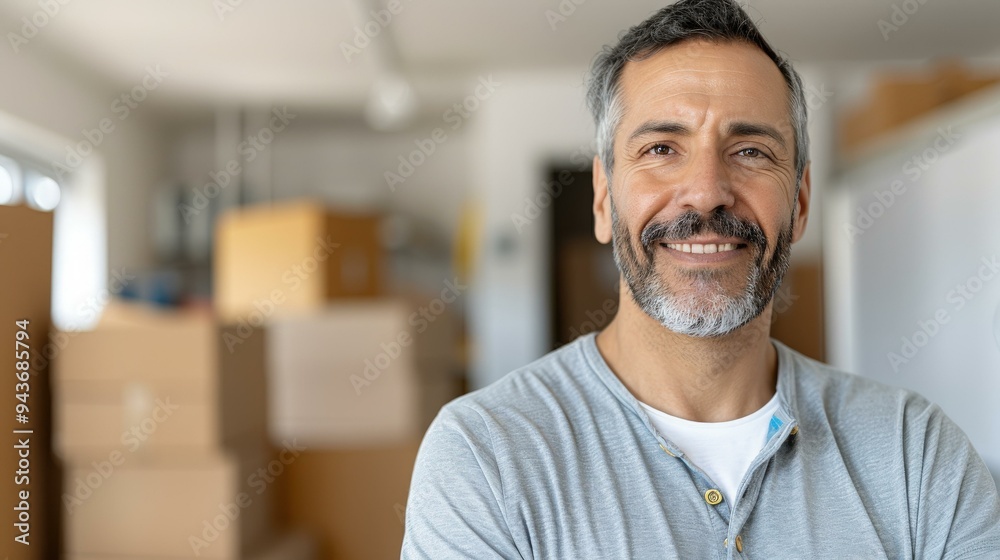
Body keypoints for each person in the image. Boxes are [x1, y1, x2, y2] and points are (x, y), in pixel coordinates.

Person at [401, 0, 1000, 557]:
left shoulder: (914, 453)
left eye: (750, 151)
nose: (708, 192)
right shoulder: (485, 457)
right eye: (662, 149)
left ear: (800, 202)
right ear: (605, 201)